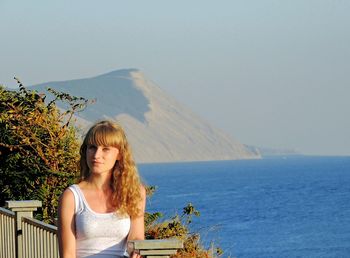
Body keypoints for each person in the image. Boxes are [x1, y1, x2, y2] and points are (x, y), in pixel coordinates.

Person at [58, 120, 146, 258]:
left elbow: (137, 236)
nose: (96, 155)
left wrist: (137, 250)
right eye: (92, 147)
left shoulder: (134, 192)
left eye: (106, 149)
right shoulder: (72, 196)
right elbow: (67, 254)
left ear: (119, 154)